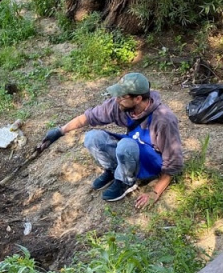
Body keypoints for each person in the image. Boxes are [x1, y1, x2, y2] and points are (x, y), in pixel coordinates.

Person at [37, 72, 183, 206]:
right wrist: (60, 131)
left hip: (150, 162)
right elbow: (89, 117)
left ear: (138, 98)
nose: (117, 100)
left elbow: (173, 162)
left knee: (125, 145)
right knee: (92, 137)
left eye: (122, 97)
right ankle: (114, 170)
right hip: (131, 149)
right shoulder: (120, 105)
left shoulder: (164, 120)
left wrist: (155, 192)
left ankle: (126, 180)